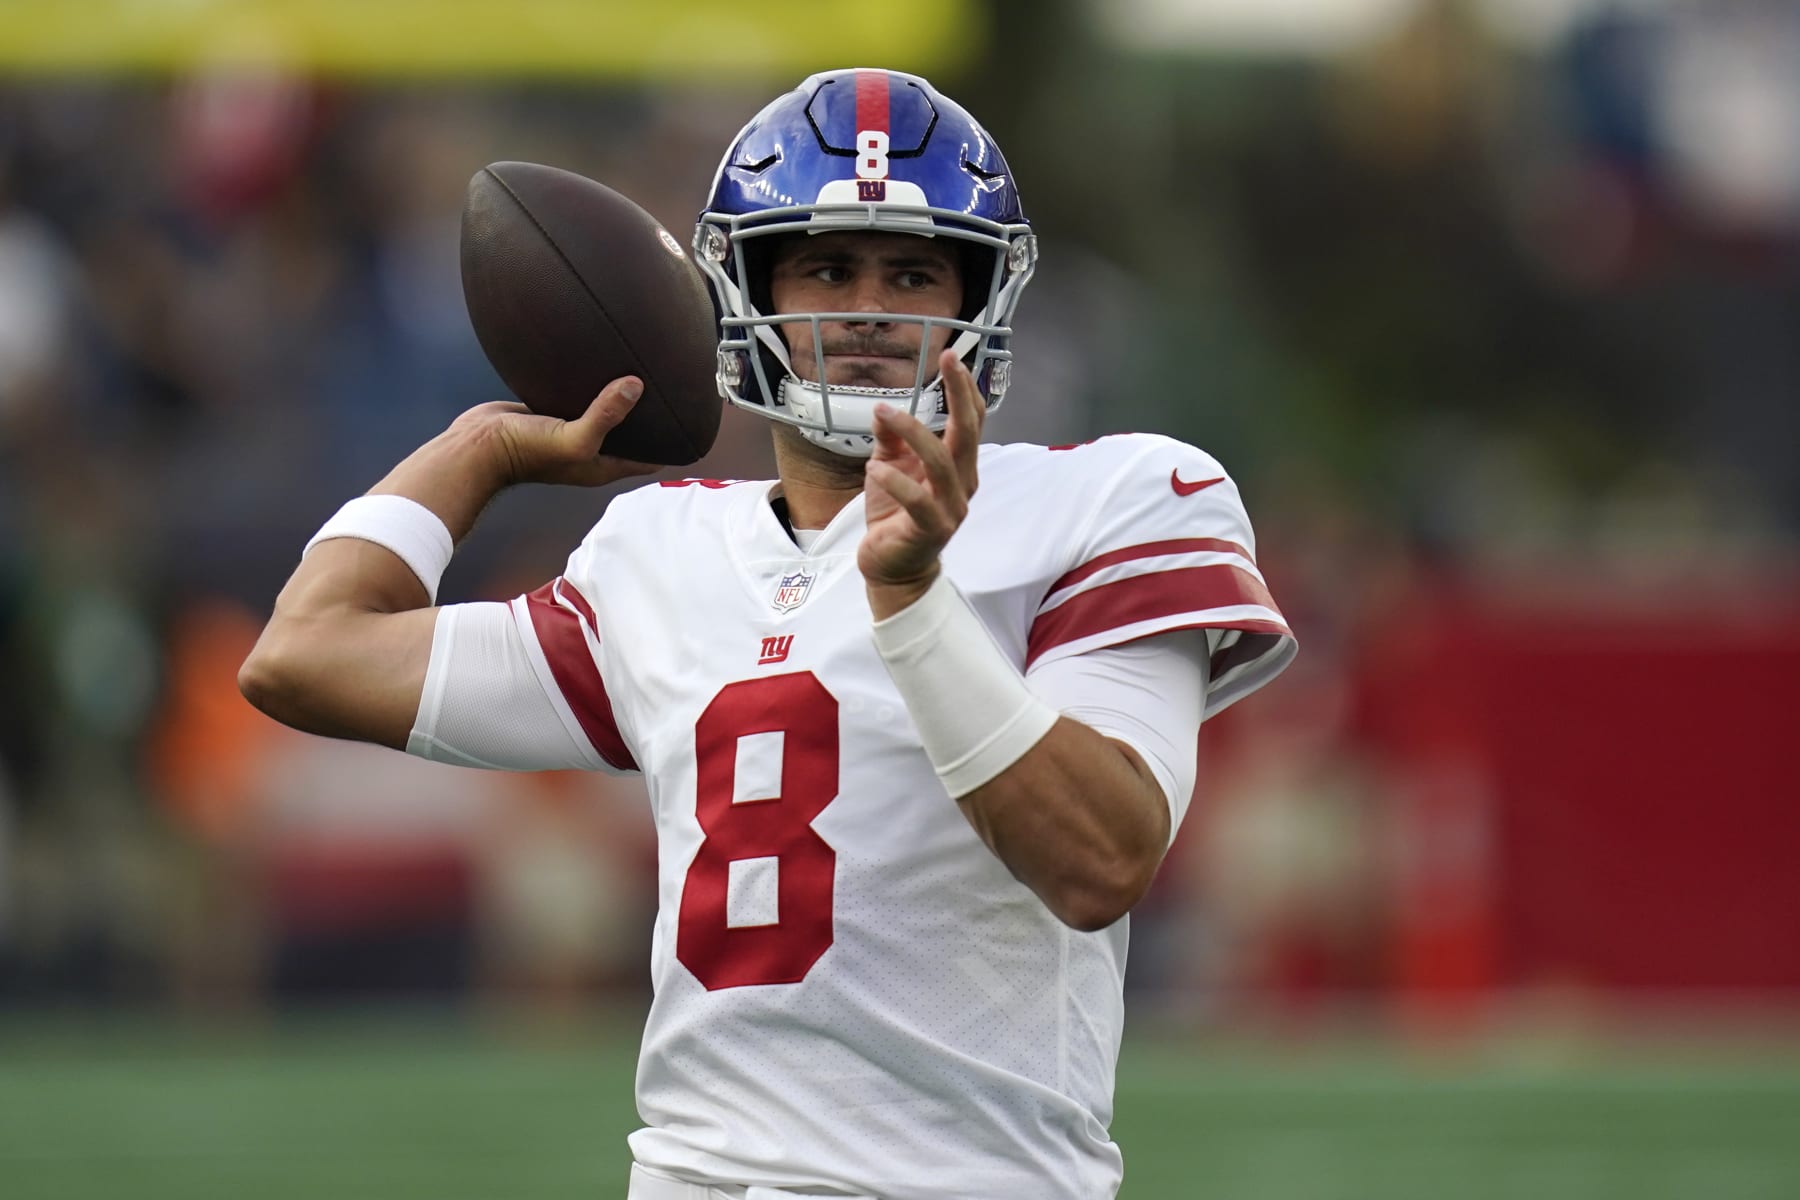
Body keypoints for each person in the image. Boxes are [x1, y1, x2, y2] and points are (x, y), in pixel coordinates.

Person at [241, 68, 1295, 1200]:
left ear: (978, 295)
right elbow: (306, 654)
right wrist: (482, 452)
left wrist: (912, 599)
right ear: (743, 288)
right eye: (829, 267)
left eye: (914, 271)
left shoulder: (1114, 500)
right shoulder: (657, 557)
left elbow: (1102, 860)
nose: (872, 308)